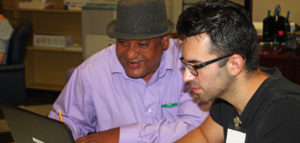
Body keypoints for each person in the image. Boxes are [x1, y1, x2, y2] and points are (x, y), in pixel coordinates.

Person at [48, 0, 208, 142]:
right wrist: (63, 133)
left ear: (164, 41)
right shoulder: (92, 71)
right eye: (123, 43)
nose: (130, 54)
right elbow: (67, 120)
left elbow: (196, 129)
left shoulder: (190, 65)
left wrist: (119, 136)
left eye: (142, 45)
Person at [175, 1, 300, 143]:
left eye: (195, 66)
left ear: (234, 65)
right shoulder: (228, 96)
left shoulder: (285, 115)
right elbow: (204, 136)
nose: (186, 76)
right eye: (185, 65)